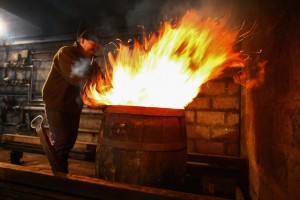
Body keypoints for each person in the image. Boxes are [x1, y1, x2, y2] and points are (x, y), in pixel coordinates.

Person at [42, 29, 101, 173]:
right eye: (92, 44)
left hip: (73, 107)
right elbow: (74, 77)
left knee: (69, 142)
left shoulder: (91, 61)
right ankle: (59, 178)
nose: (95, 48)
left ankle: (61, 172)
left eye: (97, 46)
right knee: (61, 142)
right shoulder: (66, 52)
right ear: (82, 41)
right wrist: (92, 87)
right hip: (57, 103)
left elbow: (102, 80)